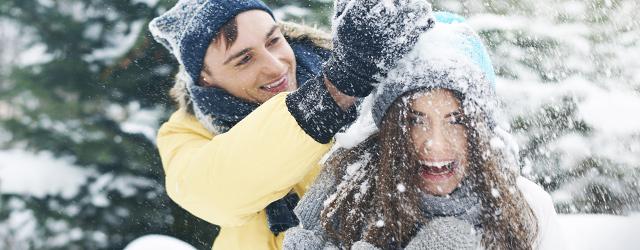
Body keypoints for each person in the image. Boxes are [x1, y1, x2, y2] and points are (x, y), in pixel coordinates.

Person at [148, 0, 435, 249]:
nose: (276, 66)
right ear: (205, 79)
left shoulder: (357, 62)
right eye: (244, 59)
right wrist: (334, 92)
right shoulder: (186, 131)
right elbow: (214, 192)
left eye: (273, 40)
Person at [284, 13, 564, 250]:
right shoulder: (348, 197)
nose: (434, 143)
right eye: (415, 120)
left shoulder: (526, 206)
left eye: (456, 121)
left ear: (481, 127)